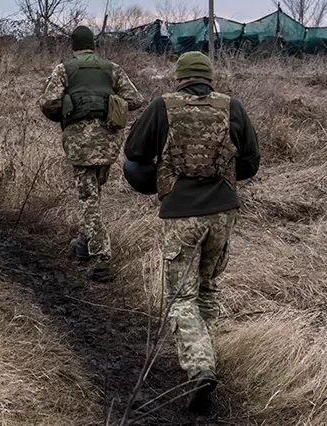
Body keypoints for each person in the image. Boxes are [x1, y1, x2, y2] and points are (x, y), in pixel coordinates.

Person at [123, 51, 260, 414]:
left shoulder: (162, 106)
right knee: (208, 286)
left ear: (180, 77)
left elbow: (133, 152)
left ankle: (200, 368)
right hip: (223, 211)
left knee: (181, 297)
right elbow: (250, 162)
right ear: (209, 78)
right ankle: (206, 352)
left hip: (181, 212)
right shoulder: (232, 107)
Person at [39, 26, 145, 282]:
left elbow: (48, 103)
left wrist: (68, 114)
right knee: (93, 193)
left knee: (88, 199)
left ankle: (103, 259)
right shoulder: (112, 68)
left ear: (73, 46)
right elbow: (135, 99)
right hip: (108, 141)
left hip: (80, 143)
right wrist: (108, 109)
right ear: (93, 45)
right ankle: (83, 244)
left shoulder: (65, 68)